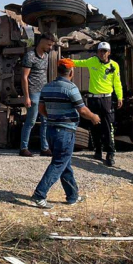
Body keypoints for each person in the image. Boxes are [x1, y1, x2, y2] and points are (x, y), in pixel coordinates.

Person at [32, 59, 100, 208]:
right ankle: (39, 194)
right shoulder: (71, 88)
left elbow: (41, 109)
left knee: (65, 163)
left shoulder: (47, 87)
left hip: (51, 130)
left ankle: (72, 196)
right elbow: (82, 110)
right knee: (58, 163)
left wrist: (52, 117)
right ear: (71, 72)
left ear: (58, 71)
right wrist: (94, 117)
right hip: (65, 132)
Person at [73, 43, 123, 166]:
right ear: (97, 52)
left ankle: (110, 153)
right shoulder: (92, 61)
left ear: (109, 52)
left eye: (105, 51)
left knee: (108, 127)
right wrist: (64, 61)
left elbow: (117, 82)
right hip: (93, 99)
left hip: (106, 99)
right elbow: (78, 63)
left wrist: (120, 96)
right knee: (94, 126)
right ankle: (98, 150)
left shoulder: (114, 65)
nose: (102, 53)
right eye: (100, 51)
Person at [19, 33, 55, 157]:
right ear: (42, 42)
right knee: (31, 121)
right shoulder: (30, 56)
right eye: (49, 45)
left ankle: (44, 148)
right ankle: (23, 148)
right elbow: (24, 77)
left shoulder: (46, 56)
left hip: (44, 93)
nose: (50, 47)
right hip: (33, 93)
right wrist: (27, 96)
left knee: (45, 121)